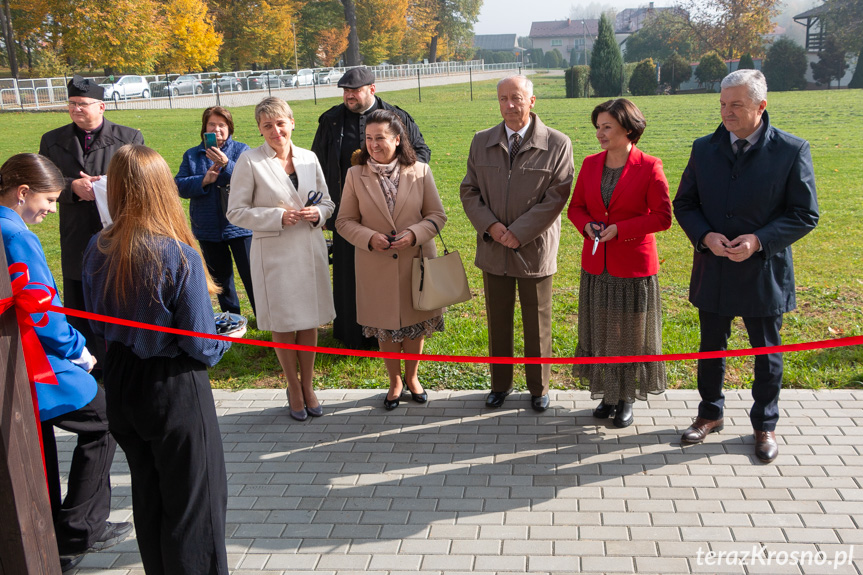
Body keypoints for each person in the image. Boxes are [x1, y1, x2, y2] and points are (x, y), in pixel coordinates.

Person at [82, 145, 242, 574]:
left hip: (120, 382)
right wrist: (229, 335)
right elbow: (201, 345)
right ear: (161, 189)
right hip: (171, 386)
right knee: (196, 504)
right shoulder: (177, 253)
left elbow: (97, 326)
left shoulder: (97, 248)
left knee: (150, 495)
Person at [673, 69, 819, 463]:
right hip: (715, 269)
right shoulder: (703, 148)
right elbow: (684, 203)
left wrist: (759, 240)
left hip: (763, 273)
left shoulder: (791, 150)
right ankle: (709, 414)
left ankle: (765, 425)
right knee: (710, 349)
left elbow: (805, 214)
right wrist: (706, 237)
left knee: (767, 353)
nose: (727, 112)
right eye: (722, 103)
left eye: (736, 104)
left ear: (761, 105)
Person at [0, 153, 130, 571]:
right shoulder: (16, 235)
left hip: (15, 355)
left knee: (38, 445)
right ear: (22, 193)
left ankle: (47, 530)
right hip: (29, 356)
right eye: (49, 200)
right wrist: (77, 348)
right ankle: (77, 530)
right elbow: (39, 306)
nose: (52, 209)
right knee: (103, 419)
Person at [460, 75, 574, 412]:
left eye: (516, 98)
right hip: (493, 250)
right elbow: (469, 190)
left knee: (537, 322)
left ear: (532, 100)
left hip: (533, 251)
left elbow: (556, 196)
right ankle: (500, 385)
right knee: (498, 320)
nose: (510, 105)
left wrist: (519, 232)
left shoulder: (557, 143)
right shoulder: (481, 141)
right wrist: (492, 227)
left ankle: (539, 388)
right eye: (503, 99)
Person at [227, 97, 335, 421]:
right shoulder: (250, 161)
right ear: (259, 129)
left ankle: (310, 384)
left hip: (309, 249)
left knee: (309, 319)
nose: (275, 130)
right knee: (285, 322)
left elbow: (328, 201)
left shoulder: (309, 157)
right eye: (267, 125)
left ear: (291, 122)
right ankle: (294, 387)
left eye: (280, 123)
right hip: (274, 254)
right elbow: (235, 212)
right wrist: (276, 216)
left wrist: (318, 212)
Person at [567, 99, 672, 428]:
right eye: (597, 126)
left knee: (628, 335)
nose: (599, 133)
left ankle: (626, 397)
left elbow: (663, 217)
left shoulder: (650, 166)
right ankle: (608, 394)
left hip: (632, 269)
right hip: (597, 267)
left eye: (606, 126)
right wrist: (587, 226)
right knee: (602, 332)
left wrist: (620, 230)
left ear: (628, 128)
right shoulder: (589, 164)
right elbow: (576, 208)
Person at [312, 66, 431, 350]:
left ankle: (400, 329)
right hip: (348, 213)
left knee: (396, 276)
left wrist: (394, 177)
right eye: (345, 91)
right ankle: (354, 335)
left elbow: (421, 154)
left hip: (394, 210)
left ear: (372, 89)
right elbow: (317, 163)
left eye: (355, 90)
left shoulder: (397, 117)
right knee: (349, 273)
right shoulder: (331, 121)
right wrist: (324, 208)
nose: (349, 96)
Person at [336, 109, 447, 410]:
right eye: (368, 138)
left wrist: (414, 233)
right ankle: (394, 381)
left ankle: (412, 377)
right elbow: (344, 221)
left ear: (397, 140)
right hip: (376, 265)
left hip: (416, 262)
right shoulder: (355, 175)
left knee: (415, 324)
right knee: (385, 327)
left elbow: (437, 215)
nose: (373, 144)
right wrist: (369, 238)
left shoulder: (420, 171)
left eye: (380, 138)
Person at [38, 75, 144, 374]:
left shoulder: (128, 138)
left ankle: (128, 362)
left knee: (121, 296)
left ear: (102, 106)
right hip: (75, 234)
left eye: (82, 104)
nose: (76, 110)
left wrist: (104, 188)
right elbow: (43, 183)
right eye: (71, 104)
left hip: (117, 233)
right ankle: (90, 365)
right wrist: (72, 187)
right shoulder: (53, 140)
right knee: (80, 303)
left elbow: (142, 182)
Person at [175, 106, 256, 316]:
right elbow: (179, 186)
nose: (217, 129)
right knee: (222, 280)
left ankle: (265, 318)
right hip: (208, 228)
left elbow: (252, 180)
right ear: (205, 128)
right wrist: (204, 179)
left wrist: (226, 164)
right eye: (212, 124)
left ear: (229, 127)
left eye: (222, 125)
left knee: (253, 276)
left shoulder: (241, 150)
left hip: (240, 226)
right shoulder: (193, 155)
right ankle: (233, 319)